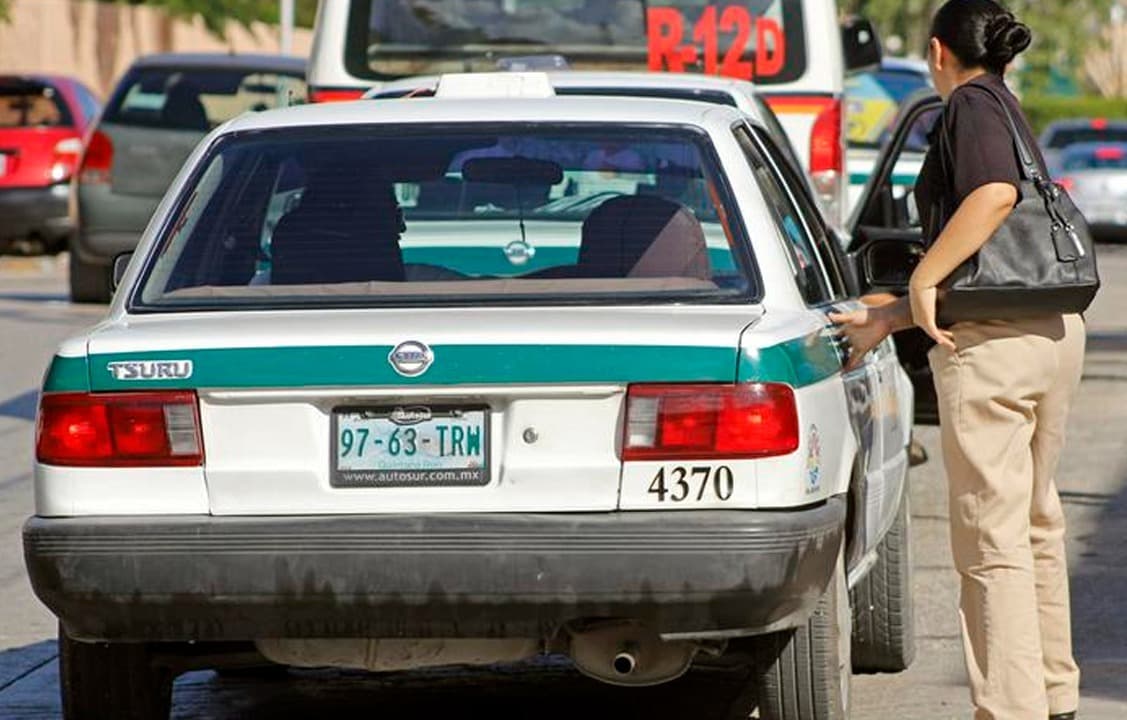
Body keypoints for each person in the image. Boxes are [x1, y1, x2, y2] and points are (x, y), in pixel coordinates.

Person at [831, 2, 1083, 719]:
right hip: (1048, 335)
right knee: (1034, 524)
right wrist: (890, 315)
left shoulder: (967, 107)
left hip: (994, 352)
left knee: (987, 540)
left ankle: (1008, 708)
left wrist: (920, 279)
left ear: (937, 51)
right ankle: (1052, 692)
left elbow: (992, 199)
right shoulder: (1005, 106)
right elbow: (998, 263)